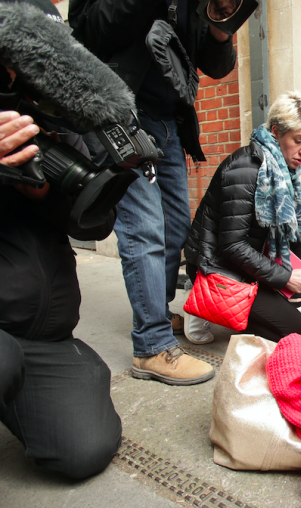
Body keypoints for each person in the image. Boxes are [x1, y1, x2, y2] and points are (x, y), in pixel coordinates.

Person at [69, 0, 238, 385]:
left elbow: (215, 64)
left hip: (168, 122)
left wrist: (220, 22)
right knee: (144, 227)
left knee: (176, 227)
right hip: (121, 115)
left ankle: (155, 315)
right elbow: (86, 28)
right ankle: (150, 345)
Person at [0, 110, 122, 479]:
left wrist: (44, 190)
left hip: (45, 337)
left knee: (84, 449)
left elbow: (99, 222)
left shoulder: (42, 112)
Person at [183, 92, 301, 343]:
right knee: (297, 332)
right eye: (299, 141)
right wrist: (285, 277)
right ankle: (205, 302)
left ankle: (298, 299)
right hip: (216, 265)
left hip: (252, 251)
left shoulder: (277, 165)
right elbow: (232, 246)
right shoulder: (244, 170)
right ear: (276, 132)